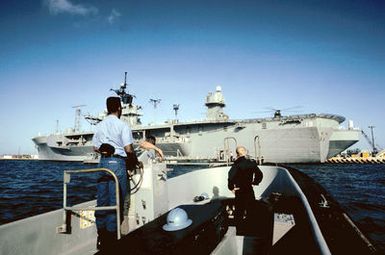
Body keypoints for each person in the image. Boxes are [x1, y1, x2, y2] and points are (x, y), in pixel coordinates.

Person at [92, 96, 136, 250]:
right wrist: (134, 162)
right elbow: (128, 149)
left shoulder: (99, 126)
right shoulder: (122, 125)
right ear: (119, 108)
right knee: (115, 200)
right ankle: (111, 240)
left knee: (102, 201)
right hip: (117, 163)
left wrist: (105, 149)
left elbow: (95, 148)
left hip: (102, 163)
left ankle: (101, 237)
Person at [227, 146, 263, 227]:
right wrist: (254, 183)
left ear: (237, 154)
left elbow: (230, 176)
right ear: (245, 152)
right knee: (251, 209)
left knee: (239, 211)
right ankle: (251, 227)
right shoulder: (251, 162)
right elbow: (260, 175)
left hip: (239, 190)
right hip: (249, 189)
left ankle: (239, 228)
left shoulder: (236, 164)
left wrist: (231, 188)